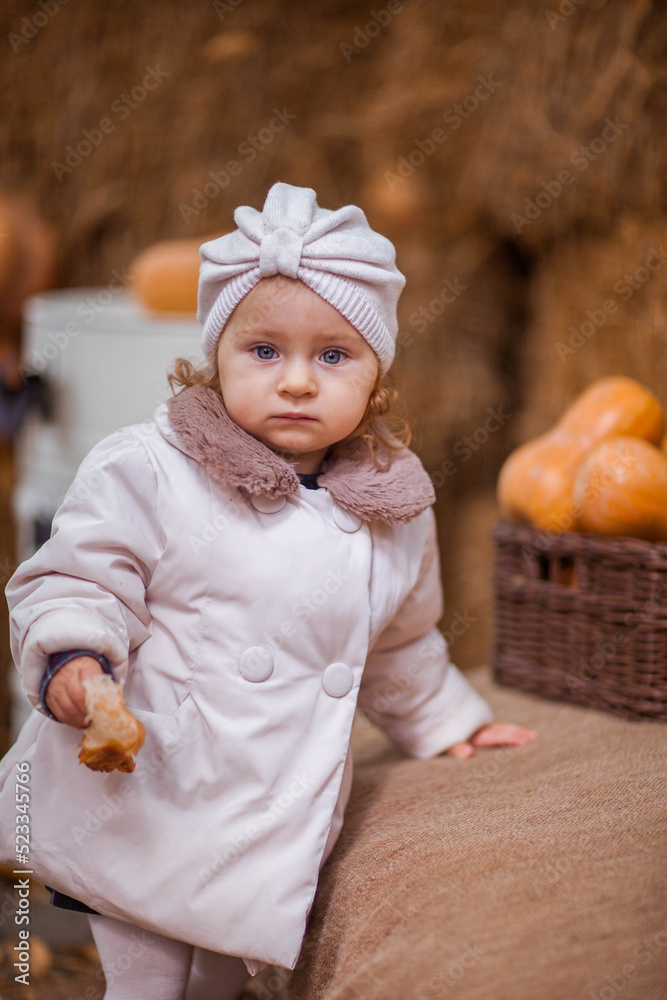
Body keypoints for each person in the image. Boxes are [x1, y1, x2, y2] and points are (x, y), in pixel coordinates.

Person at [0, 183, 535, 1000]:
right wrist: (75, 653)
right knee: (147, 981)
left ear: (376, 378)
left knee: (216, 980)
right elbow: (81, 574)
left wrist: (446, 721)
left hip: (264, 812)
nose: (295, 382)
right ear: (215, 359)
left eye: (332, 356)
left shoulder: (391, 508)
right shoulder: (150, 468)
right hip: (154, 777)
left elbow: (397, 644)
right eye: (263, 351)